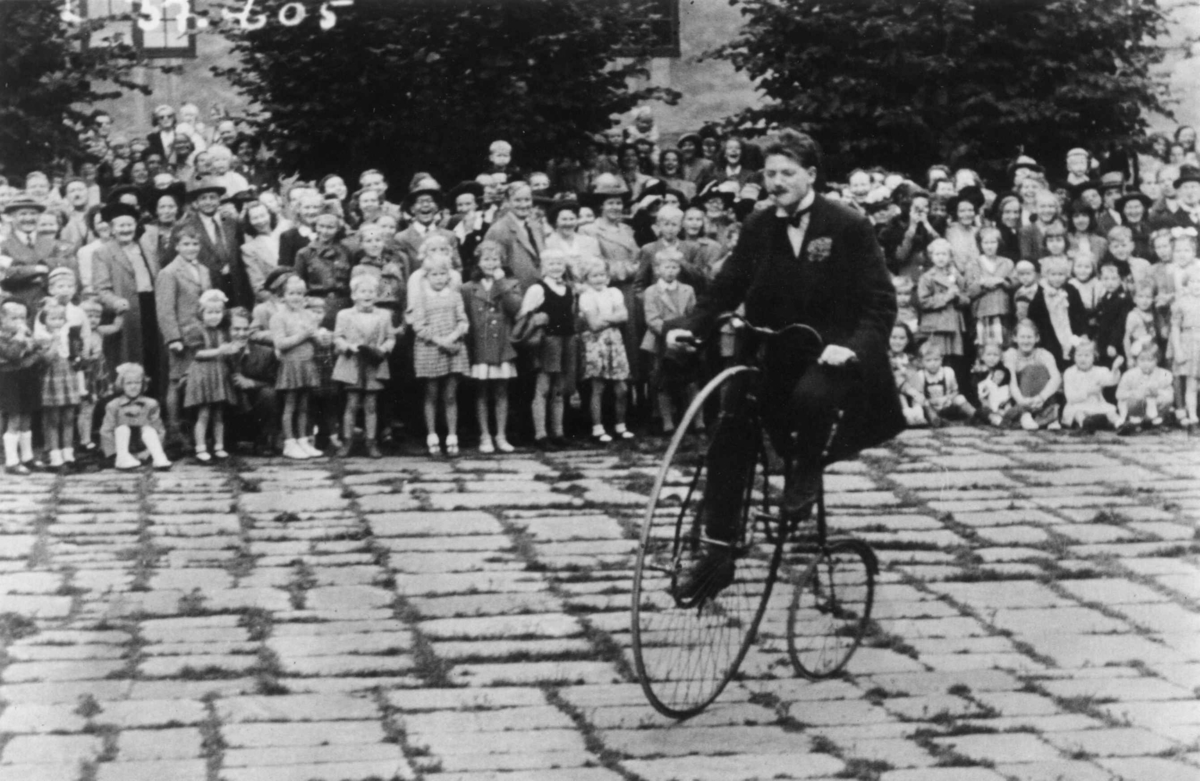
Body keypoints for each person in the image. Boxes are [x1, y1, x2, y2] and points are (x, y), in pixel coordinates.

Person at [666, 129, 902, 601]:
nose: (776, 183)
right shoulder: (759, 225)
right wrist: (692, 323)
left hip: (831, 355)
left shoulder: (847, 224)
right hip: (771, 352)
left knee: (812, 397)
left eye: (786, 174)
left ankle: (805, 468)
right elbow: (728, 286)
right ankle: (716, 556)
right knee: (729, 434)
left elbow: (880, 302)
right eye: (769, 174)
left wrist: (852, 347)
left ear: (810, 175)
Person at [461, 241, 522, 454]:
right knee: (481, 392)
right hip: (480, 346)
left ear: (502, 262)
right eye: (486, 259)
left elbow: (516, 309)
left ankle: (501, 435)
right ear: (478, 262)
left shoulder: (510, 283)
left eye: (495, 259)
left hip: (502, 345)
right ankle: (484, 435)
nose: (490, 263)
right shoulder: (468, 288)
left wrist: (501, 284)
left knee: (501, 391)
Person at [156, 228, 214, 449]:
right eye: (186, 244)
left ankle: (196, 429)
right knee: (176, 381)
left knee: (198, 380)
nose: (191, 248)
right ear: (177, 246)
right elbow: (165, 309)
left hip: (202, 336)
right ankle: (173, 429)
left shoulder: (204, 270)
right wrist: (173, 338)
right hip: (182, 336)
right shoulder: (169, 272)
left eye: (195, 244)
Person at [411, 253, 469, 456]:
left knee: (451, 395)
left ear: (449, 276)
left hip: (454, 348)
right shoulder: (422, 297)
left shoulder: (455, 296)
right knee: (431, 393)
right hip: (430, 348)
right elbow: (418, 326)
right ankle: (432, 435)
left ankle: (452, 436)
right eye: (434, 274)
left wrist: (452, 337)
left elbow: (463, 321)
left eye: (442, 274)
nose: (438, 278)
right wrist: (440, 341)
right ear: (426, 276)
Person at [518, 249, 577, 450]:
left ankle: (558, 432)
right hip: (548, 341)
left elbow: (572, 314)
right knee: (542, 388)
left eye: (559, 263)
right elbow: (525, 316)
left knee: (559, 389)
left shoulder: (569, 288)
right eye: (551, 264)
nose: (556, 267)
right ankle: (540, 434)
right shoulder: (538, 289)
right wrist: (537, 321)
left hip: (566, 339)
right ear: (544, 267)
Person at [333, 272, 395, 458]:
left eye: (371, 291)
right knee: (351, 404)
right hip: (352, 363)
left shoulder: (384, 315)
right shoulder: (344, 315)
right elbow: (337, 337)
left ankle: (371, 442)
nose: (367, 295)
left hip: (373, 364)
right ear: (354, 295)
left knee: (371, 405)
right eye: (363, 291)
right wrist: (348, 347)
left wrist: (383, 350)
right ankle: (347, 441)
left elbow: (391, 338)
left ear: (376, 295)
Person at [641, 248, 698, 434]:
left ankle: (697, 421)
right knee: (662, 380)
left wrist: (686, 333)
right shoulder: (651, 292)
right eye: (667, 267)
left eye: (675, 267)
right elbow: (652, 319)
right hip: (660, 340)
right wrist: (669, 333)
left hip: (684, 339)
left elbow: (693, 314)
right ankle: (667, 422)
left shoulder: (687, 290)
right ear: (657, 269)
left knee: (691, 380)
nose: (671, 271)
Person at [577, 258, 633, 442]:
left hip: (614, 342)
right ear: (587, 279)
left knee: (621, 388)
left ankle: (620, 425)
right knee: (598, 386)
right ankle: (598, 427)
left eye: (602, 275)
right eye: (594, 276)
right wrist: (613, 318)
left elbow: (624, 315)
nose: (599, 279)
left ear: (608, 277)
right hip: (595, 343)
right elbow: (593, 325)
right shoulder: (586, 296)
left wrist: (605, 318)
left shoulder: (614, 292)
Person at [271, 275, 323, 460]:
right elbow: (280, 343)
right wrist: (303, 335)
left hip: (307, 364)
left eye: (300, 293)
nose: (296, 297)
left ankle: (303, 440)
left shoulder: (308, 315)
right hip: (291, 365)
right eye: (292, 293)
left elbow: (316, 342)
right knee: (290, 405)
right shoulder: (279, 317)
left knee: (304, 405)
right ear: (283, 295)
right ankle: (289, 442)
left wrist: (318, 337)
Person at [185, 289, 235, 462]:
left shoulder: (222, 331)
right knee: (204, 412)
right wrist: (219, 351)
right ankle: (200, 448)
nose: (214, 316)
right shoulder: (196, 330)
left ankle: (219, 446)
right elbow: (197, 354)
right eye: (210, 312)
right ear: (201, 313)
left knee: (219, 413)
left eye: (218, 312)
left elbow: (225, 351)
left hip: (218, 374)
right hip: (203, 374)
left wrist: (229, 351)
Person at [100, 362, 172, 470]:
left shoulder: (150, 404)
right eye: (129, 383)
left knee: (148, 429)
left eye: (137, 383)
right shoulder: (113, 405)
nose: (133, 386)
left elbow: (160, 430)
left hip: (144, 448)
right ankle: (122, 459)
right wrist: (114, 453)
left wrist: (147, 453)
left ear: (142, 384)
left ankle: (159, 457)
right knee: (122, 428)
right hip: (121, 448)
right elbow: (106, 431)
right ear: (121, 385)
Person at [1027, 255, 1088, 369]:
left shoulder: (1071, 290)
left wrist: (1083, 332)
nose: (1057, 278)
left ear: (1066, 275)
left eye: (1061, 275)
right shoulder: (1041, 293)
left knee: (1075, 352)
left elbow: (1080, 313)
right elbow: (1034, 316)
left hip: (1069, 329)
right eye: (1053, 275)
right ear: (1046, 275)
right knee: (1054, 355)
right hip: (1050, 333)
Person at [1004, 319, 1063, 430]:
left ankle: (1049, 416)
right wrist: (1022, 401)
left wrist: (1042, 397)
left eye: (1029, 337)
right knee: (1029, 370)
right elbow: (1012, 383)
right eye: (1022, 337)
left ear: (1037, 338)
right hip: (1020, 398)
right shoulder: (1011, 354)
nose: (1026, 341)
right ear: (1015, 338)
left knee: (1041, 370)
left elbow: (1056, 378)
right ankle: (1025, 415)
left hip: (1040, 398)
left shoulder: (1044, 354)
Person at [965, 226, 1014, 347]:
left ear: (999, 243)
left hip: (1002, 311)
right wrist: (982, 284)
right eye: (986, 242)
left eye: (993, 242)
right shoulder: (973, 264)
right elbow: (969, 291)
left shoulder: (1007, 263)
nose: (989, 246)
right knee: (983, 345)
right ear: (980, 244)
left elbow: (1013, 285)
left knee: (1003, 343)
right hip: (982, 312)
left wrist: (1002, 281)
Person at [1061, 338, 1122, 430]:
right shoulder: (1070, 373)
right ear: (1074, 357)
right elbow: (1070, 397)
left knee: (1110, 412)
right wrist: (1088, 391)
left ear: (1094, 357)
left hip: (1096, 404)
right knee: (1078, 413)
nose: (1083, 359)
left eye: (1087, 355)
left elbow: (1112, 381)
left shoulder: (1099, 371)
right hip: (1077, 404)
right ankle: (1085, 424)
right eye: (1079, 355)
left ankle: (1119, 424)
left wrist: (1115, 369)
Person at [1116, 343, 1174, 432]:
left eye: (1150, 360)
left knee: (1165, 399)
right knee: (1137, 399)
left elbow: (1170, 394)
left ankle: (1156, 421)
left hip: (1154, 403)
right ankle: (1135, 423)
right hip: (1136, 406)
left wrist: (1158, 392)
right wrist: (1134, 393)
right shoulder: (1130, 375)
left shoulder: (1163, 374)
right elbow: (1119, 394)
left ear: (1157, 360)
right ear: (1136, 361)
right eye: (1142, 360)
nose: (1146, 364)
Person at [1170, 267, 1200, 424]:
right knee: (1191, 382)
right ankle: (1192, 415)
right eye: (1193, 282)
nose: (1197, 285)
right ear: (1186, 285)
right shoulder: (1181, 304)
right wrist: (1178, 350)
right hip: (1189, 341)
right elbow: (1175, 328)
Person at [974, 342, 1014, 426]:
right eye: (988, 355)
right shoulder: (978, 373)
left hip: (1002, 403)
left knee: (1011, 410)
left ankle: (1005, 418)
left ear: (1001, 357)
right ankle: (996, 420)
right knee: (982, 411)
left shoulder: (1003, 371)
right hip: (986, 405)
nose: (992, 358)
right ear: (982, 356)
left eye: (995, 355)